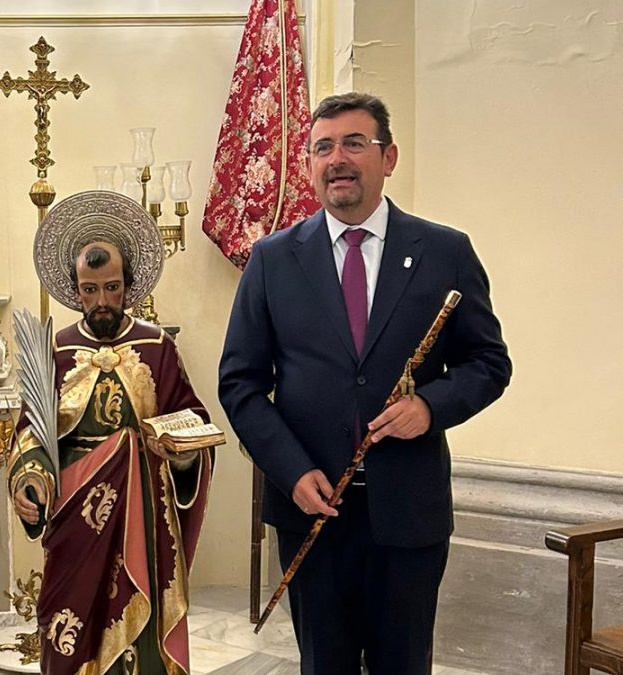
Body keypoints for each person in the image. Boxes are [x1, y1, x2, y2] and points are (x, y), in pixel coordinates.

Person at [219, 92, 512, 675]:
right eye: (322, 148)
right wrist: (291, 470)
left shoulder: (444, 252)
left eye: (355, 143)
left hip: (409, 514)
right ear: (308, 166)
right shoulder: (273, 260)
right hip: (312, 510)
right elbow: (241, 383)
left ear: (389, 156)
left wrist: (429, 406)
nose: (338, 159)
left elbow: (488, 362)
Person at [8, 191, 214, 675]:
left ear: (130, 284)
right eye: (89, 289)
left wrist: (182, 455)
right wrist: (30, 481)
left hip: (142, 509)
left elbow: (190, 419)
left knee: (136, 624)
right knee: (70, 616)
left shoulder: (157, 346)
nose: (102, 301)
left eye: (113, 288)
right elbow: (30, 434)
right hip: (76, 512)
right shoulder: (54, 350)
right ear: (73, 289)